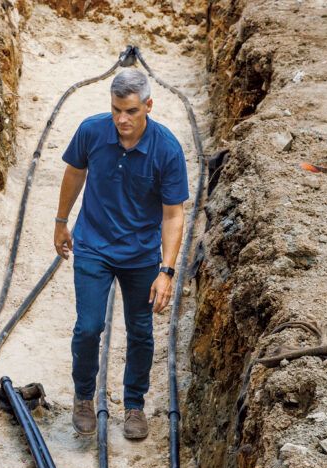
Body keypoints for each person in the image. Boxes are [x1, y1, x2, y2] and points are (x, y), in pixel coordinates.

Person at [53, 68, 188, 440]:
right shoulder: (92, 131)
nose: (122, 120)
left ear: (148, 105)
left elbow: (173, 214)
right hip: (94, 244)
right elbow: (74, 173)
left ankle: (133, 405)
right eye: (116, 110)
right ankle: (84, 396)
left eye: (130, 111)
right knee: (88, 327)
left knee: (141, 331)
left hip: (142, 255)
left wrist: (167, 270)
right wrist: (61, 220)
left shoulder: (167, 149)